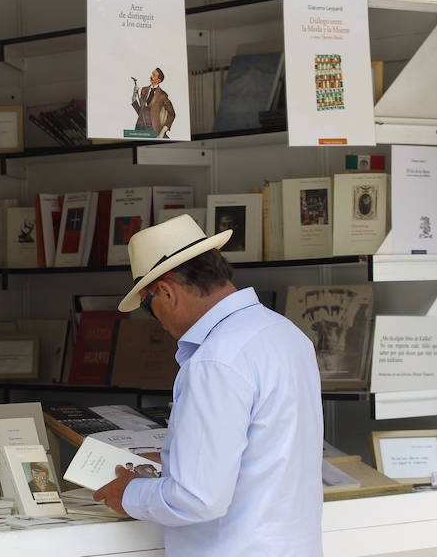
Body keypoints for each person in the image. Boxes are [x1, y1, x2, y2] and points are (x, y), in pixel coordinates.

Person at [93, 214, 323, 556]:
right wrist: (173, 457)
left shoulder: (215, 360)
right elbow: (267, 450)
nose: (155, 321)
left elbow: (197, 498)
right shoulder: (286, 334)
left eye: (147, 306)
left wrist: (126, 494)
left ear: (167, 293)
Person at [131, 68, 175, 139]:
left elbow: (172, 114)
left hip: (154, 131)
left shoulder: (162, 95)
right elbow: (140, 111)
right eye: (152, 74)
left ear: (158, 80)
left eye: (154, 75)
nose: (151, 76)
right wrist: (134, 94)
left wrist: (163, 131)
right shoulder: (144, 90)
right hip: (139, 130)